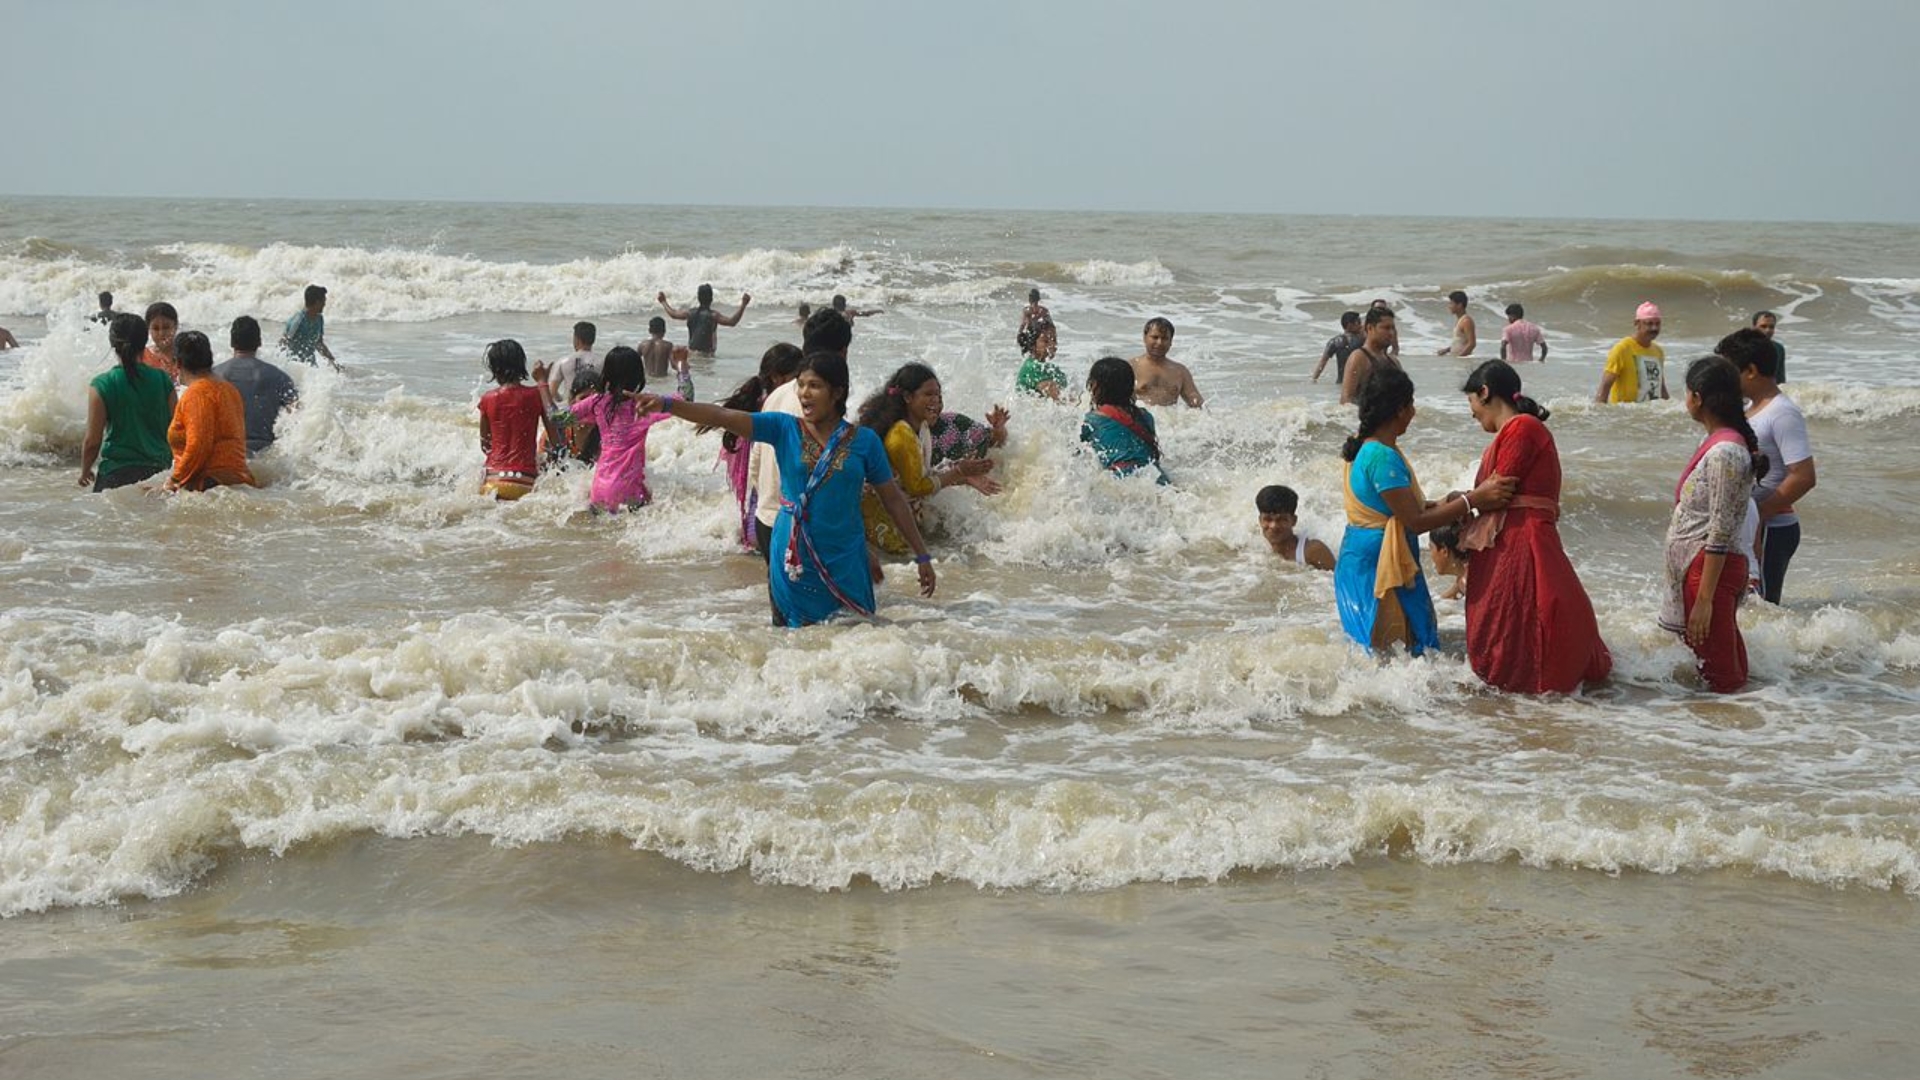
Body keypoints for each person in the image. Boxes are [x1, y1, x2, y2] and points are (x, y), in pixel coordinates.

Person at [637, 352, 936, 627]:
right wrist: (668, 405)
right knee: (797, 639)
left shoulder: (865, 442)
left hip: (846, 557)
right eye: (801, 385)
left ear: (838, 392)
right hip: (795, 555)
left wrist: (922, 556)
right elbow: (720, 417)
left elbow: (894, 500)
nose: (804, 393)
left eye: (814, 386)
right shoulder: (783, 428)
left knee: (854, 635)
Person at [1334, 368, 1514, 656]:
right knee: (1406, 647)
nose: (1414, 413)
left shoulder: (1366, 448)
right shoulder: (1381, 455)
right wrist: (1474, 501)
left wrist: (1449, 501)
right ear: (1399, 409)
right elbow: (1415, 521)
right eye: (1411, 405)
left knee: (1376, 649)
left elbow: (1395, 507)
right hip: (1379, 563)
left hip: (1361, 556)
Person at [1458, 360, 1611, 692]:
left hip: (1522, 539)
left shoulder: (1521, 427)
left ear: (1484, 392)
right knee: (1519, 621)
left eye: (1471, 402)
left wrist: (1463, 501)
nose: (1471, 413)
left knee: (1520, 618)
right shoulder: (1520, 429)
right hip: (1518, 535)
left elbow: (1498, 491)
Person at [1662, 356, 1768, 692]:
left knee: (1721, 676)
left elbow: (1721, 528)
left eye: (1687, 394)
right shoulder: (1723, 444)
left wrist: (1705, 599)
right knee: (1721, 669)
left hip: (1709, 573)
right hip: (1706, 570)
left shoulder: (1726, 452)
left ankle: (1729, 737)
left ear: (1698, 397)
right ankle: (1731, 735)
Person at [856, 364, 1000, 554]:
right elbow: (918, 487)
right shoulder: (902, 434)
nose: (937, 401)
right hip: (876, 520)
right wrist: (959, 472)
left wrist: (962, 477)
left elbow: (920, 477)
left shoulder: (918, 429)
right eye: (929, 395)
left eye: (939, 396)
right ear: (908, 397)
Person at [1721, 327, 1815, 604]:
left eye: (1730, 371)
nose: (1725, 379)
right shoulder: (1751, 409)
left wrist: (1759, 514)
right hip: (1753, 525)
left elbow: (1804, 476)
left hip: (1773, 527)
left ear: (1750, 370)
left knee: (1762, 607)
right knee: (1744, 606)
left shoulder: (1782, 412)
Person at [536, 346, 674, 513]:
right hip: (630, 493)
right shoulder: (647, 404)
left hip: (599, 492)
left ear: (606, 374)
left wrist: (542, 383)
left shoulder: (597, 402)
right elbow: (686, 399)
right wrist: (682, 368)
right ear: (639, 375)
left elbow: (555, 418)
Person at [704, 343, 804, 551]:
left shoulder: (755, 402)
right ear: (778, 377)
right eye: (797, 376)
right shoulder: (777, 405)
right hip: (771, 513)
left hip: (757, 512)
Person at [78, 313, 175, 491]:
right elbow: (177, 430)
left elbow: (92, 441)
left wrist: (85, 471)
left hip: (115, 474)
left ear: (113, 343)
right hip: (157, 473)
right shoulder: (163, 380)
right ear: (145, 340)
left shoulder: (102, 384)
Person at [162, 331, 256, 493]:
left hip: (209, 484)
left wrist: (173, 481)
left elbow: (198, 445)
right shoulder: (229, 389)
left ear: (177, 363)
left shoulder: (196, 394)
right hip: (238, 481)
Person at [477, 339, 560, 501]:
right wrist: (543, 382)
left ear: (494, 368)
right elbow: (556, 434)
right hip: (524, 481)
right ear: (521, 364)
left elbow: (486, 445)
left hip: (492, 481)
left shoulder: (487, 399)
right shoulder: (536, 395)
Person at [212, 316, 299, 454]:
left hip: (224, 454)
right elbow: (297, 414)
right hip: (265, 453)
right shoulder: (278, 376)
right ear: (259, 342)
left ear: (232, 343)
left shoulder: (213, 375)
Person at [1082, 356, 1168, 483]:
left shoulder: (1092, 420)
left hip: (1122, 479)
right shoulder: (1146, 416)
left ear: (1096, 386)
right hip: (1156, 477)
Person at [1594, 301, 1667, 403]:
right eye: (1649, 324)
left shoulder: (1658, 351)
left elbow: (1661, 388)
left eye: (1657, 324)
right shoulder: (1622, 349)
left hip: (1649, 416)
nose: (1654, 328)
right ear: (1637, 324)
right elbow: (1604, 388)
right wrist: (1599, 416)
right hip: (1625, 415)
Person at [657, 284, 749, 357]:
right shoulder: (713, 315)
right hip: (706, 356)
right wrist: (743, 305)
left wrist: (663, 302)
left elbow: (673, 314)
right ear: (711, 299)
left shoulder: (690, 313)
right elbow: (732, 322)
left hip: (691, 354)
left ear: (698, 298)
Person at [1256, 485, 1334, 570]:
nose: (1274, 526)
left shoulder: (1312, 551)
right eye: (1268, 519)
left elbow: (1342, 580)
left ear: (1294, 521)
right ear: (1260, 520)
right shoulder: (1255, 549)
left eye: (1281, 519)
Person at [1131, 317, 1203, 407]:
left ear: (1171, 342)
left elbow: (1198, 404)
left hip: (1169, 420)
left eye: (1165, 338)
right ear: (1145, 338)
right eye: (1155, 337)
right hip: (1140, 419)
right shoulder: (1131, 367)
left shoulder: (1180, 371)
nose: (1159, 342)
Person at [1341, 306, 1402, 405]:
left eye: (1393, 328)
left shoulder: (1394, 362)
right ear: (1370, 328)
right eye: (1386, 328)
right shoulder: (1359, 358)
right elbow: (1346, 402)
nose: (1391, 333)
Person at [281, 284, 339, 369]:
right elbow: (283, 343)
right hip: (294, 367)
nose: (324, 304)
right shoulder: (298, 321)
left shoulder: (319, 319)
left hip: (310, 368)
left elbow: (319, 344)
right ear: (317, 302)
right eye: (323, 301)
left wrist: (333, 362)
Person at [1015, 314, 1067, 400]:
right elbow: (1060, 400)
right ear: (1033, 345)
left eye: (1054, 340)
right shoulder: (1033, 369)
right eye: (1046, 341)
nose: (1052, 344)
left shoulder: (1049, 367)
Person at [547, 322, 599, 407]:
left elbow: (552, 391)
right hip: (595, 409)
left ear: (576, 339)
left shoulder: (562, 361)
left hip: (569, 409)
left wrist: (561, 399)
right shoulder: (603, 362)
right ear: (593, 339)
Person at [1312, 311, 1362, 386]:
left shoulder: (1334, 342)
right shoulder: (1363, 341)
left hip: (1341, 383)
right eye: (1358, 322)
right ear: (1349, 325)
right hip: (1359, 383)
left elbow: (1322, 362)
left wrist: (1314, 379)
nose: (1361, 325)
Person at [1427, 524, 1467, 601]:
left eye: (1431, 548)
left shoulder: (1469, 581)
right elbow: (1454, 592)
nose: (1430, 555)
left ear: (1445, 551)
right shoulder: (1464, 576)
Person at [143, 302, 181, 381]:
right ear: (148, 329)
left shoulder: (186, 354)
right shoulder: (143, 356)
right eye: (156, 328)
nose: (161, 333)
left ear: (176, 326)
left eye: (166, 327)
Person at [1437, 290, 1477, 357]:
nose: (1449, 306)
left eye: (1451, 303)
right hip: (1458, 359)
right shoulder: (1460, 320)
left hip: (1463, 361)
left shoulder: (1466, 321)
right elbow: (1460, 342)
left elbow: (1472, 344)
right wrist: (1447, 350)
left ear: (1459, 305)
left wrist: (1460, 357)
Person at [1752, 310, 1787, 383]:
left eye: (1771, 327)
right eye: (1763, 326)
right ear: (1754, 328)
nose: (1768, 330)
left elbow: (1780, 380)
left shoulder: (1778, 348)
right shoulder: (1743, 347)